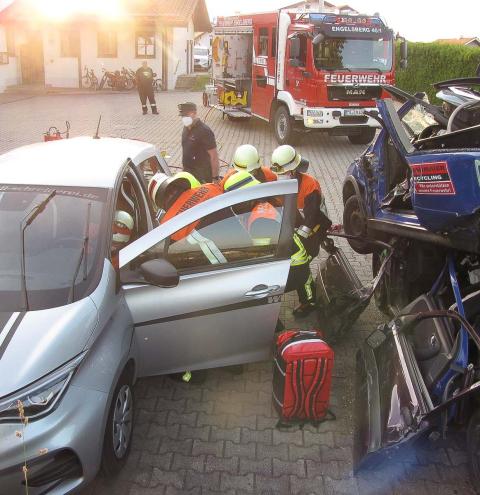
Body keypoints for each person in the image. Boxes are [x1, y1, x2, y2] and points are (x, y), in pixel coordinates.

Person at [223, 171, 313, 316]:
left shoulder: (261, 221)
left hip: (293, 267)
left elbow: (263, 258)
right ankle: (308, 300)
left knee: (254, 291)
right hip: (296, 257)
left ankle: (271, 322)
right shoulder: (263, 204)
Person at [271, 145, 332, 260]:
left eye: (284, 173)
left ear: (294, 170)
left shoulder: (309, 185)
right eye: (279, 173)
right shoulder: (274, 180)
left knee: (307, 252)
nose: (280, 176)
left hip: (315, 224)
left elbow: (311, 218)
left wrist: (298, 240)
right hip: (295, 219)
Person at [179, 102, 220, 184]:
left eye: (186, 115)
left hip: (202, 176)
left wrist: (215, 178)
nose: (184, 118)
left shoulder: (204, 131)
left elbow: (214, 156)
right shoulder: (186, 128)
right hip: (188, 173)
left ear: (194, 113)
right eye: (182, 116)